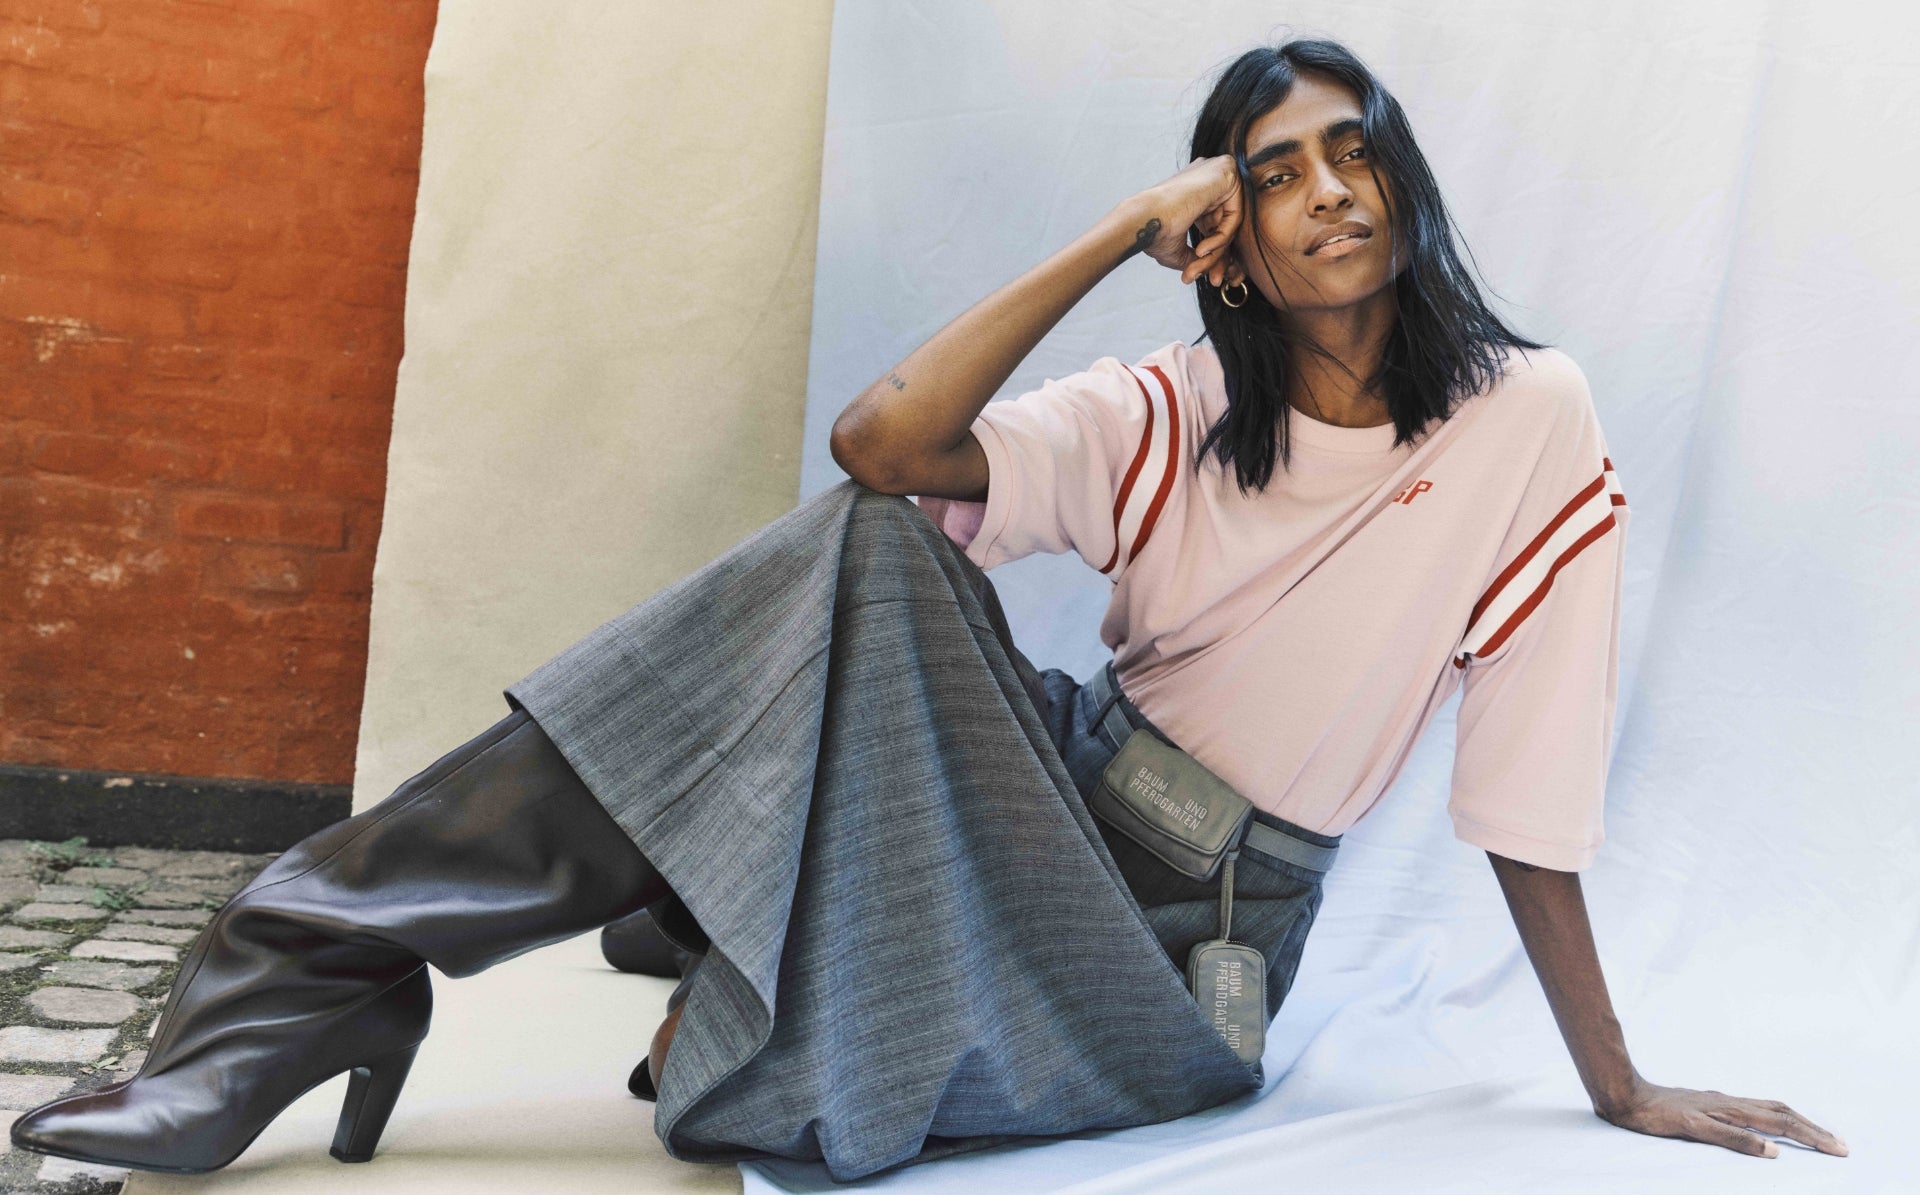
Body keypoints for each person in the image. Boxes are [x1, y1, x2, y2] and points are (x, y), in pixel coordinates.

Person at [9, 36, 1846, 1184]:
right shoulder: (1168, 409)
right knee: (877, 539)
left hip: (1186, 942)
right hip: (1042, 794)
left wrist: (1620, 1085)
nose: (1324, 193)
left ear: (1404, 180)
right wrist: (1116, 231)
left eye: (1352, 152)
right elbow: (883, 446)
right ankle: (299, 970)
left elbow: (1528, 787)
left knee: (801, 1099)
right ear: (1227, 239)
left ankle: (721, 891)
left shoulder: (1530, 417)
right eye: (1272, 174)